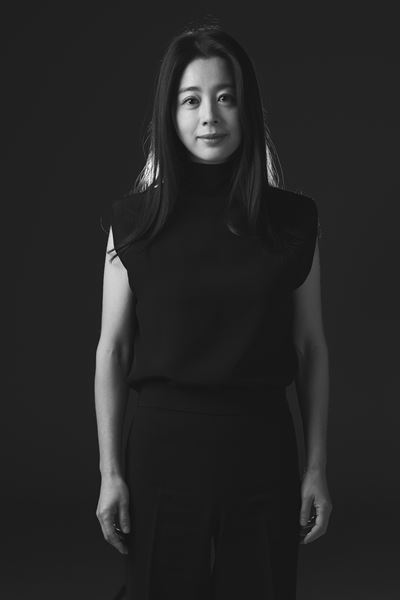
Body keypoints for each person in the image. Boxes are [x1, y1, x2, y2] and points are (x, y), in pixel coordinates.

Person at [94, 23, 332, 600]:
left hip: (263, 450)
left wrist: (316, 468)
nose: (209, 117)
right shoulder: (133, 223)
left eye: (225, 97)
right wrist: (110, 473)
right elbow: (113, 350)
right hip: (161, 453)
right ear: (169, 113)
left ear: (247, 108)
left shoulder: (293, 222)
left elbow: (310, 348)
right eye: (191, 100)